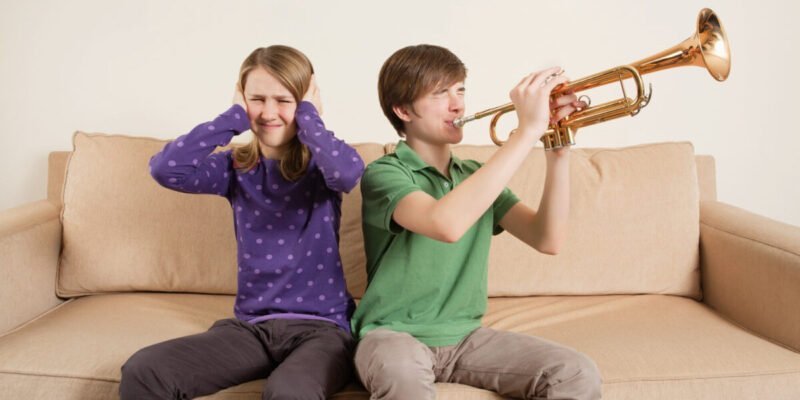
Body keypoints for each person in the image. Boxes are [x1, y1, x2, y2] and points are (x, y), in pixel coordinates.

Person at [351, 44, 602, 400]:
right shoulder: (385, 173)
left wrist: (556, 151)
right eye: (440, 93)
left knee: (575, 372)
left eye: (460, 90)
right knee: (403, 381)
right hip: (391, 334)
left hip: (467, 337)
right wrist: (525, 133)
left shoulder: (475, 176)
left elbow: (548, 239)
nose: (458, 105)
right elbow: (446, 225)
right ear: (403, 109)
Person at [120, 45, 365, 400]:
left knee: (288, 391)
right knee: (145, 370)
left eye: (284, 100)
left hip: (323, 330)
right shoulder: (235, 167)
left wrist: (309, 117)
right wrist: (232, 119)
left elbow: (347, 174)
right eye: (257, 100)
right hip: (252, 329)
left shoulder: (322, 167)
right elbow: (166, 170)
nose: (268, 113)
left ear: (307, 103)